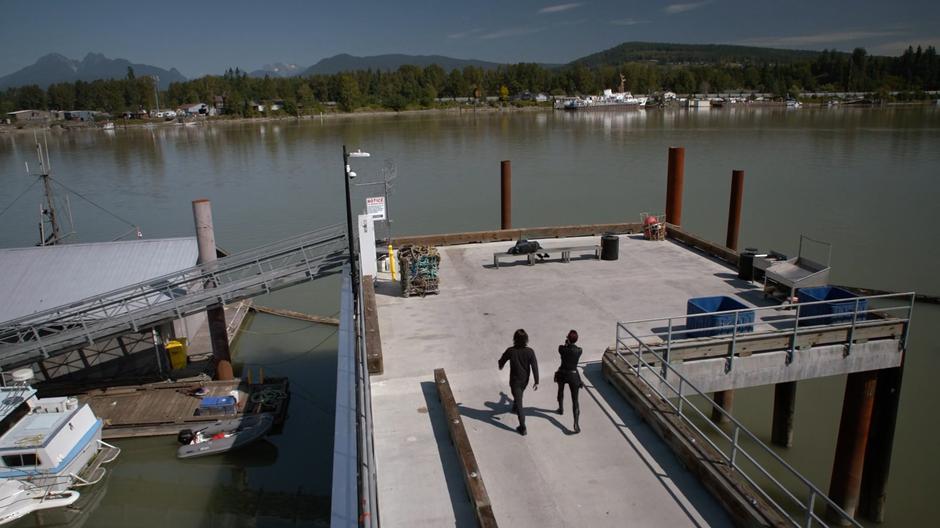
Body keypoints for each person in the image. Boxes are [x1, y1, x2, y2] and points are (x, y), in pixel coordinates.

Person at [498, 329, 539, 436]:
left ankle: (523, 427)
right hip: (525, 380)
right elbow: (534, 366)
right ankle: (515, 406)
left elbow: (502, 360)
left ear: (515, 339)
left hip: (515, 381)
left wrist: (500, 365)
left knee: (520, 403)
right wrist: (536, 381)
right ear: (526, 340)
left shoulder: (510, 351)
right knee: (519, 395)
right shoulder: (530, 351)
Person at [554, 329, 583, 433]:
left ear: (568, 339)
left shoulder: (562, 348)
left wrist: (566, 344)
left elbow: (562, 349)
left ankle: (560, 408)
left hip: (562, 373)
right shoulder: (579, 350)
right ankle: (576, 423)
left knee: (560, 391)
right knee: (575, 400)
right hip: (574, 375)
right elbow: (574, 353)